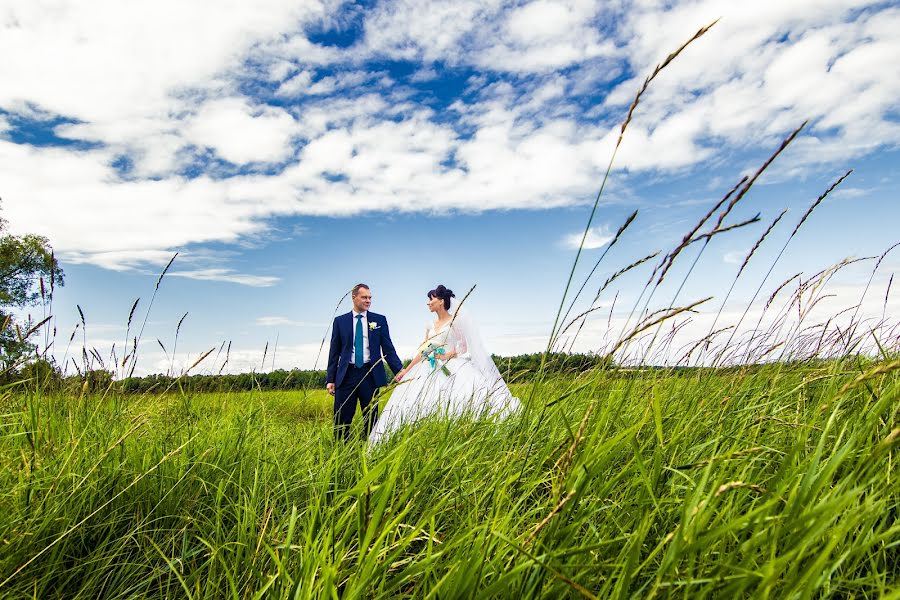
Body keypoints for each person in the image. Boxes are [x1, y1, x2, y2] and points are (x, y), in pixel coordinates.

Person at [368, 285, 520, 446]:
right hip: (428, 367)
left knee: (457, 401)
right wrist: (407, 369)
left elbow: (463, 347)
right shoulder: (429, 325)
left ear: (441, 301)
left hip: (452, 367)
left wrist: (445, 355)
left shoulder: (455, 322)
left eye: (431, 299)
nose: (428, 303)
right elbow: (423, 350)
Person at [326, 283, 404, 441]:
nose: (368, 300)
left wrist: (399, 370)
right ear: (354, 297)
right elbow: (334, 353)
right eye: (364, 297)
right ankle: (341, 451)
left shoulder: (379, 320)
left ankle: (369, 450)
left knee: (371, 417)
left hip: (370, 374)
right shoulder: (340, 321)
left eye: (370, 298)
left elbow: (388, 349)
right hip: (346, 374)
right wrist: (330, 379)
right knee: (342, 416)